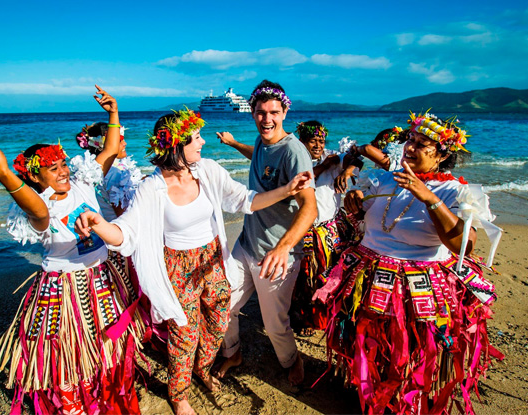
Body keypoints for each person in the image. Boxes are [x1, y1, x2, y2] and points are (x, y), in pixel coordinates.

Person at [73, 108, 313, 415]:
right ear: (176, 145)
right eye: (196, 138)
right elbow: (125, 234)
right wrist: (97, 224)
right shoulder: (152, 188)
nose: (202, 142)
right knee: (184, 333)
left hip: (212, 259)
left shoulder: (208, 171)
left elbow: (245, 200)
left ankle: (202, 368)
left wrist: (286, 190)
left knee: (218, 323)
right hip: (177, 267)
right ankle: (179, 393)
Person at [0, 86, 144, 415]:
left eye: (63, 163)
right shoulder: (40, 206)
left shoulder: (82, 183)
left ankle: (107, 400)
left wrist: (113, 112)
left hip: (104, 278)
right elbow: (38, 212)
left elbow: (107, 150)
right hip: (64, 289)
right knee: (67, 355)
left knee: (110, 347)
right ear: (35, 176)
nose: (63, 170)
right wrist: (3, 173)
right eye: (53, 168)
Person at [314, 111, 503, 414]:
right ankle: (368, 392)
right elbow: (367, 221)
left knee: (409, 348)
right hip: (371, 273)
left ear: (441, 155)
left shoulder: (454, 191)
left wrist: (429, 198)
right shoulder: (385, 178)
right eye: (410, 140)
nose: (410, 148)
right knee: (368, 340)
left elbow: (462, 245)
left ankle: (402, 400)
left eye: (422, 144)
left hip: (418, 285)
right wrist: (357, 205)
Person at [215, 80, 317, 385]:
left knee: (275, 325)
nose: (266, 119)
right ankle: (232, 352)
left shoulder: (294, 153)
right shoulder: (262, 139)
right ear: (253, 113)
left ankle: (291, 360)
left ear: (285, 111)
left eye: (273, 112)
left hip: (275, 255)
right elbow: (258, 156)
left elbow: (309, 208)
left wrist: (284, 247)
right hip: (246, 245)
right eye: (260, 113)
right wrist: (235, 145)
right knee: (223, 304)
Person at [290, 120, 363, 336]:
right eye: (313, 141)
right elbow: (300, 180)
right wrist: (324, 166)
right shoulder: (295, 159)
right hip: (304, 227)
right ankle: (302, 316)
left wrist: (346, 172)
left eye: (321, 141)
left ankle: (323, 314)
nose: (318, 146)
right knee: (304, 275)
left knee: (327, 274)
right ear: (301, 142)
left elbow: (356, 159)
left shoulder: (332, 156)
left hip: (329, 228)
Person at [75, 121, 142, 219]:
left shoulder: (92, 170)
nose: (125, 143)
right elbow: (123, 214)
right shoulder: (115, 174)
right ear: (106, 145)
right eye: (120, 140)